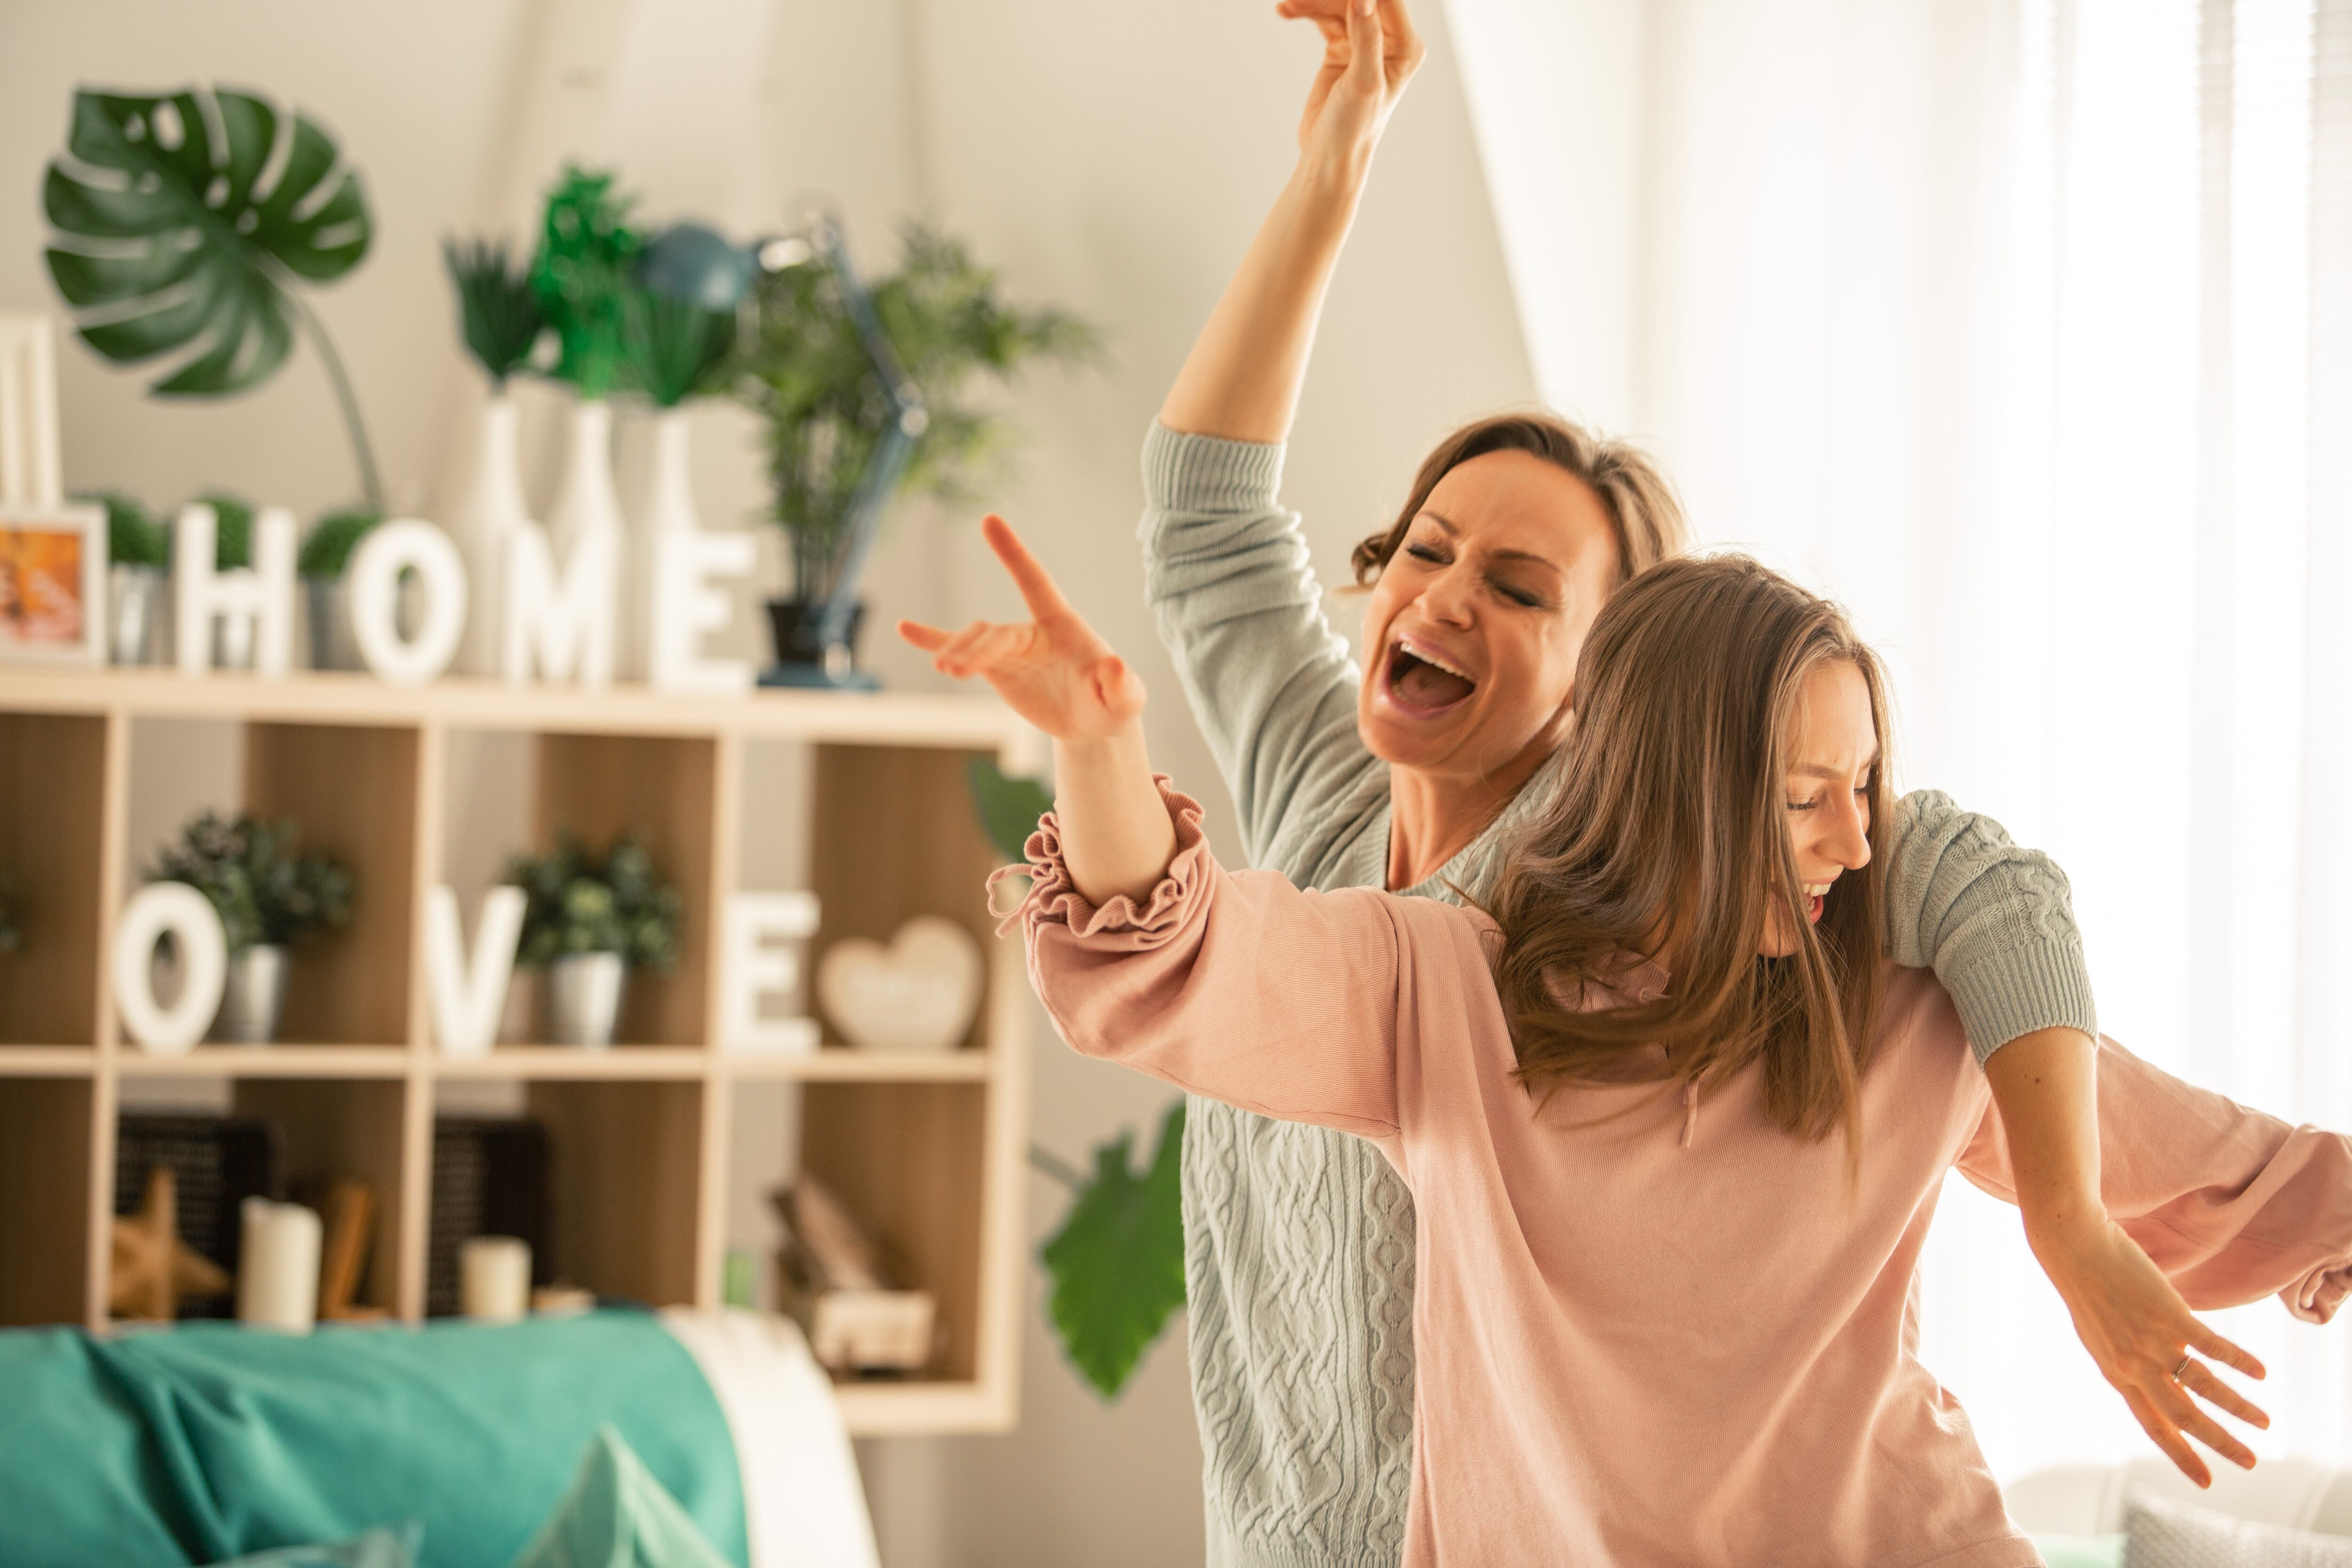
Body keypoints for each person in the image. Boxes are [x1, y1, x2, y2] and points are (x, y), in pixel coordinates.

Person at [1098, 0, 2257, 1558]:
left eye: (1518, 589)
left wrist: (2089, 1222)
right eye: (1428, 550)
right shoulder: (1319, 785)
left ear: (1609, 689)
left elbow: (1983, 894)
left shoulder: (1646, 875)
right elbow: (1208, 518)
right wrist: (1334, 167)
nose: (1440, 597)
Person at [906, 538, 2352, 1567]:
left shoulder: (1907, 1006)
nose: (1857, 845)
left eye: (1862, 790)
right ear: (1674, 798)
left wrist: (2101, 1224)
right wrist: (1097, 754)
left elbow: (2238, 1173)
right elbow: (1188, 965)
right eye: (1804, 802)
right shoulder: (1443, 989)